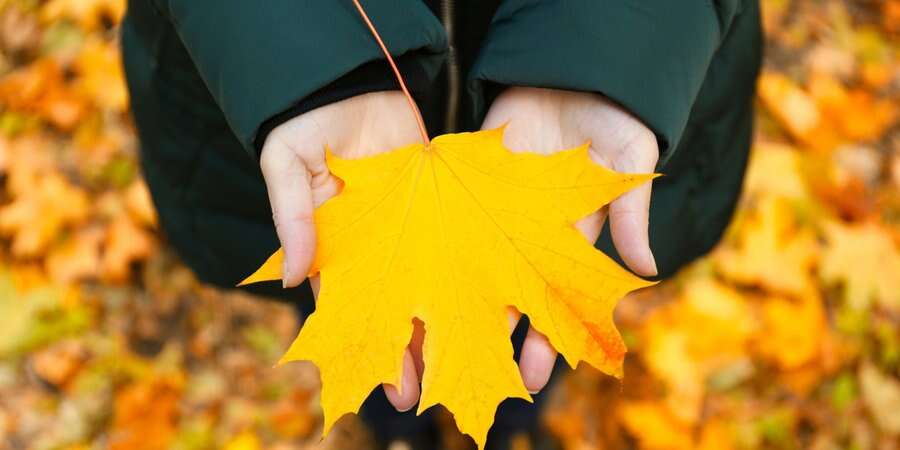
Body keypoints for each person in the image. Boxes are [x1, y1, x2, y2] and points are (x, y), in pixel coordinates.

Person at [121, 1, 762, 448]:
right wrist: (312, 66)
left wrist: (608, 49)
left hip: (592, 71)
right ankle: (398, 426)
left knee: (534, 327)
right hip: (294, 109)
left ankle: (505, 420)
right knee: (346, 296)